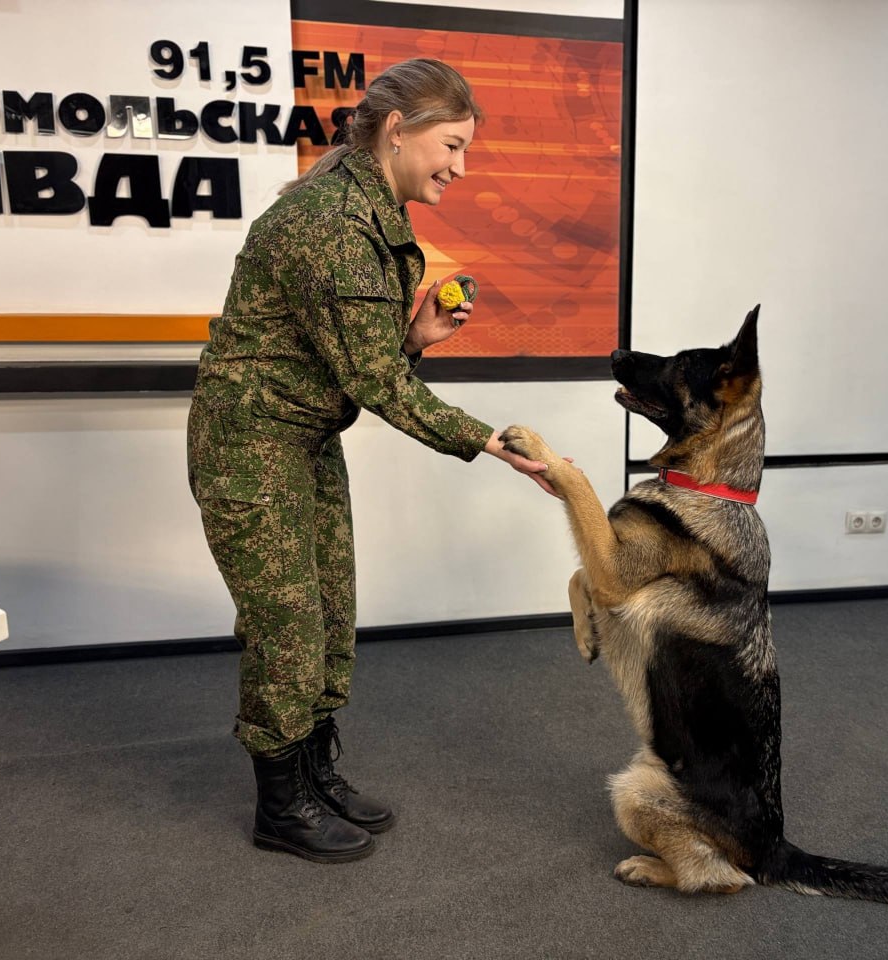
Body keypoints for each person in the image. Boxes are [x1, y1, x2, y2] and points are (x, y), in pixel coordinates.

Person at [186, 58, 552, 864]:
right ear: (398, 131)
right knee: (287, 627)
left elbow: (358, 357)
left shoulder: (371, 212)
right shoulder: (331, 222)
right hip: (251, 443)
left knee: (328, 612)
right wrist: (487, 441)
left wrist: (416, 339)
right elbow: (370, 379)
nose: (461, 166)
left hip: (306, 437)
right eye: (451, 146)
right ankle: (280, 806)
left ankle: (315, 772)